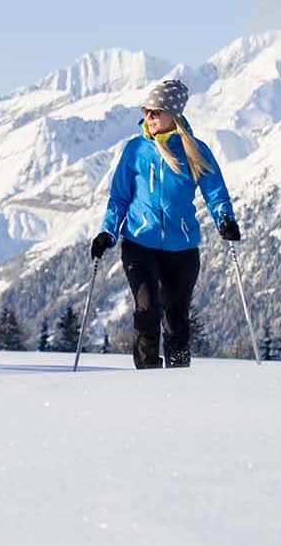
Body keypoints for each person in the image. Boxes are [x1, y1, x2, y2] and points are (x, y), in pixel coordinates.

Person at [90, 79, 240, 369]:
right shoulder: (135, 150)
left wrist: (225, 220)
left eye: (156, 112)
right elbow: (119, 197)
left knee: (176, 319)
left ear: (174, 114)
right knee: (146, 310)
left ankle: (178, 379)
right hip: (139, 241)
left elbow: (215, 192)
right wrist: (107, 231)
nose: (149, 117)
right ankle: (147, 376)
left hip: (182, 247)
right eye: (146, 111)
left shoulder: (195, 150)